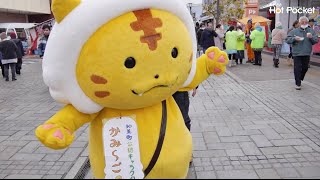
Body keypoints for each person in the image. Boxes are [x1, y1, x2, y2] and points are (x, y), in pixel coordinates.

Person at [286, 16, 318, 90]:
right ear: (299, 23)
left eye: (305, 22)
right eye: (302, 22)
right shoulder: (294, 31)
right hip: (297, 52)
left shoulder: (311, 31)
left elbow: (315, 40)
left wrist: (311, 37)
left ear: (307, 23)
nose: (304, 23)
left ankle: (300, 78)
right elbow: (287, 40)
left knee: (305, 68)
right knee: (297, 68)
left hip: (306, 52)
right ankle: (298, 83)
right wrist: (294, 38)